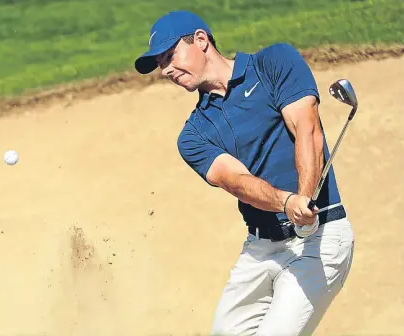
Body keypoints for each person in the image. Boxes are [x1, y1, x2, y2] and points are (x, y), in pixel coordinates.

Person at [134, 10, 355, 336]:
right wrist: (286, 202)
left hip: (320, 239)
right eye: (159, 64)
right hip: (260, 249)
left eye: (170, 56)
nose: (165, 69)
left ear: (200, 40)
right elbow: (237, 181)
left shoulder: (274, 63)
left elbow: (307, 131)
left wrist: (304, 199)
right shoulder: (194, 135)